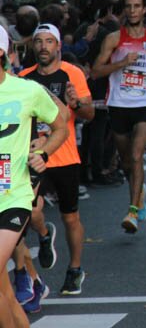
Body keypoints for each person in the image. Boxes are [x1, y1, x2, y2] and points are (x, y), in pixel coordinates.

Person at [0, 24, 67, 328]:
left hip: (14, 194)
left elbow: (62, 123)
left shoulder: (27, 91)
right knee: (3, 291)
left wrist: (45, 150)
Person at [91, 0, 146, 234]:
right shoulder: (114, 39)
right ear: (124, 10)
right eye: (128, 6)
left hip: (145, 104)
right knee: (127, 161)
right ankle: (140, 192)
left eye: (137, 6)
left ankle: (132, 212)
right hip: (118, 105)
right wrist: (122, 63)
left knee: (137, 156)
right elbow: (96, 71)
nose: (133, 10)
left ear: (145, 9)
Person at [19, 24, 93, 296]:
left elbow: (90, 114)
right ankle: (44, 236)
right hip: (33, 157)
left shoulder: (72, 74)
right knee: (31, 209)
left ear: (58, 45)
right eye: (38, 42)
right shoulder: (23, 78)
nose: (43, 47)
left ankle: (75, 269)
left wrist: (76, 104)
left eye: (49, 41)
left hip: (64, 156)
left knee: (70, 217)